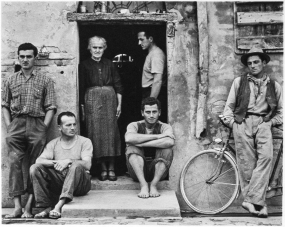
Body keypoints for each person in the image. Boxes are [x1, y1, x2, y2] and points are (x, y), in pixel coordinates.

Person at [222, 47, 283, 218]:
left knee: (266, 158)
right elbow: (229, 108)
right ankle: (259, 204)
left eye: (256, 62)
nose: (253, 66)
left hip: (264, 123)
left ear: (264, 63)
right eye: (250, 63)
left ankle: (250, 201)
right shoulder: (239, 82)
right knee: (247, 164)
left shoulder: (274, 85)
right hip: (243, 122)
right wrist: (233, 124)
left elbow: (281, 112)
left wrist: (269, 123)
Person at [2, 43, 56, 218]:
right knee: (14, 164)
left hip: (36, 124)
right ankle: (17, 207)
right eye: (22, 56)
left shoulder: (45, 80)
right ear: (18, 57)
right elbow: (4, 105)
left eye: (29, 56)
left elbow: (51, 107)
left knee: (36, 166)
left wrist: (43, 127)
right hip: (16, 125)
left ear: (35, 58)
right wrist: (10, 126)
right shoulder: (10, 80)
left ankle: (29, 208)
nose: (25, 60)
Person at [30, 111, 93, 219]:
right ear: (59, 127)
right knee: (35, 168)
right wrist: (58, 162)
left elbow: (87, 165)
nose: (73, 128)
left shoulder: (85, 141)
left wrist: (69, 161)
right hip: (61, 181)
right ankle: (45, 207)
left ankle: (59, 205)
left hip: (81, 184)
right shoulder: (53, 143)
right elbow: (39, 160)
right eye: (68, 125)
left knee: (76, 165)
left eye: (74, 124)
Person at [79, 36, 123, 181]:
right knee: (96, 134)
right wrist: (83, 109)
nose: (97, 50)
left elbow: (118, 84)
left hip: (110, 101)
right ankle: (102, 168)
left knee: (111, 134)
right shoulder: (84, 65)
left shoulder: (110, 64)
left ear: (104, 48)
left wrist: (119, 104)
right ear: (89, 48)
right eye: (94, 47)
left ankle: (112, 167)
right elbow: (81, 87)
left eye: (100, 47)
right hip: (92, 101)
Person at [125, 97, 175, 198]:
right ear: (142, 113)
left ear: (159, 112)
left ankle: (153, 185)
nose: (151, 115)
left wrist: (141, 143)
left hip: (158, 172)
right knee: (132, 149)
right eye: (148, 112)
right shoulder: (134, 125)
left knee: (167, 150)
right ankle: (143, 185)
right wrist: (158, 136)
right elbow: (129, 138)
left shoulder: (165, 127)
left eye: (154, 112)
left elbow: (169, 141)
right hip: (137, 171)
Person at [137, 29, 167, 122]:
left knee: (152, 123)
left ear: (150, 39)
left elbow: (157, 81)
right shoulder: (152, 53)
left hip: (153, 92)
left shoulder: (156, 55)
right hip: (150, 92)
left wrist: (151, 103)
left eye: (141, 39)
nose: (139, 43)